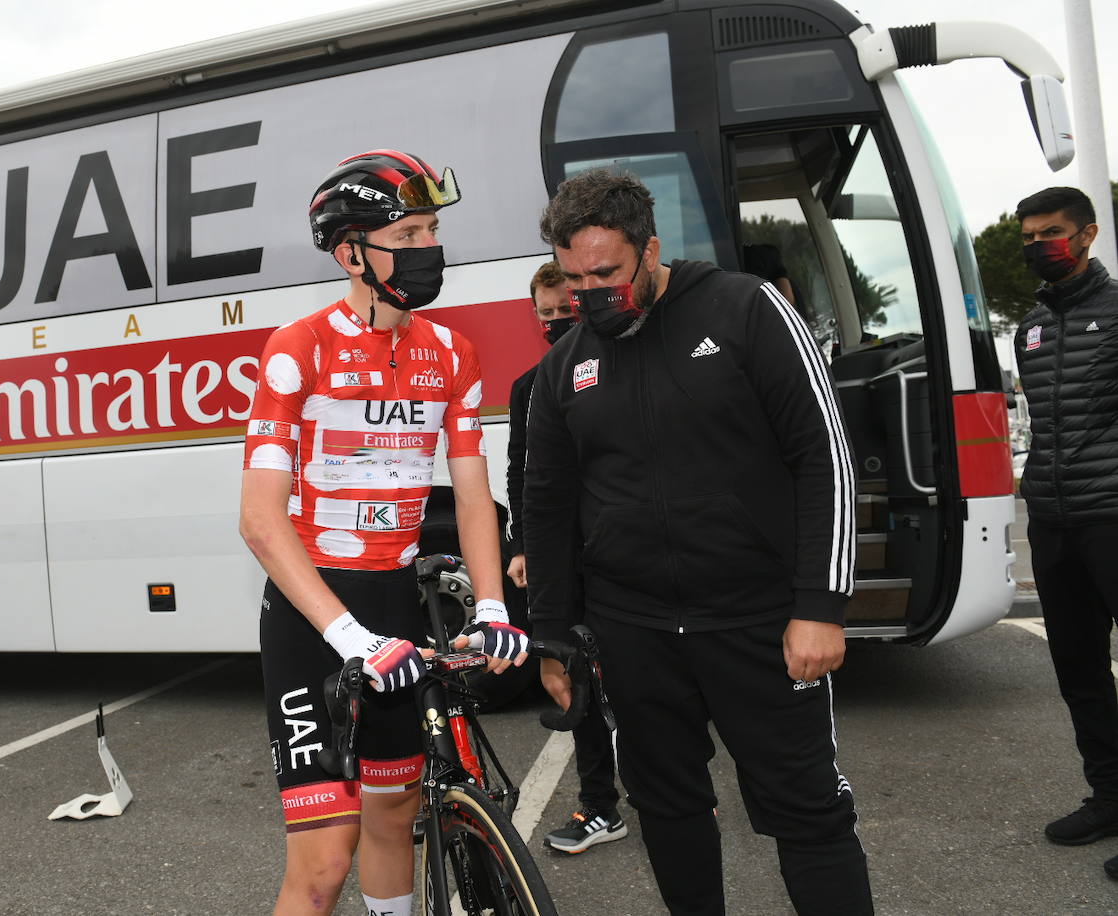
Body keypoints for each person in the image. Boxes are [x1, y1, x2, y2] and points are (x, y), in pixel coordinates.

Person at [524, 168, 871, 915]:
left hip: (761, 622)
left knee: (807, 811)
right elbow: (545, 507)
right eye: (575, 278)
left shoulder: (746, 309)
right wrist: (552, 636)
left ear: (650, 251)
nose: (591, 294)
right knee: (669, 808)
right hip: (635, 632)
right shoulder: (563, 368)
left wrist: (822, 605)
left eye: (607, 272)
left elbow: (825, 457)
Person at [239, 149, 528, 916]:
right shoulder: (297, 350)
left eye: (432, 230)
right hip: (314, 616)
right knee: (325, 862)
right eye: (406, 234)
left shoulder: (453, 354)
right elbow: (261, 521)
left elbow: (472, 497)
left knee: (394, 817)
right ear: (350, 252)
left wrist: (494, 610)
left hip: (394, 598)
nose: (427, 248)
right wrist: (350, 639)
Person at [1011, 186, 1118, 879]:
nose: (1038, 245)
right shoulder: (1029, 328)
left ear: (1088, 234)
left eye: (1051, 232)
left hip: (1112, 513)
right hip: (1052, 521)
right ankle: (1110, 795)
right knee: (1079, 669)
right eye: (1027, 237)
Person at [504, 260, 628, 854]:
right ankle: (600, 805)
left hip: (617, 552)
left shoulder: (617, 369)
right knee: (575, 677)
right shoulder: (529, 387)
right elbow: (521, 472)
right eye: (545, 314)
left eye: (564, 310)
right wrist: (524, 545)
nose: (555, 321)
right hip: (562, 557)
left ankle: (673, 790)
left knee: (640, 674)